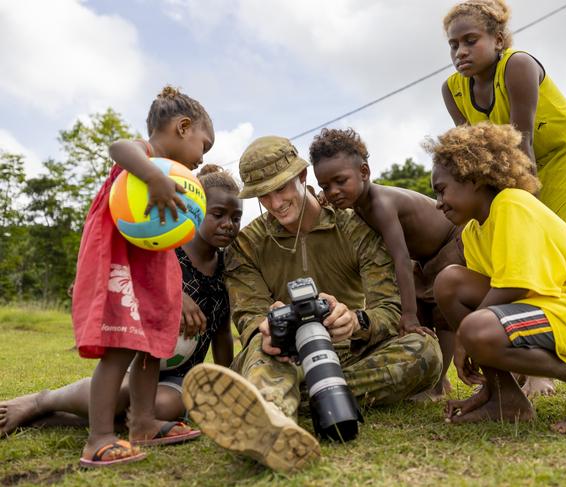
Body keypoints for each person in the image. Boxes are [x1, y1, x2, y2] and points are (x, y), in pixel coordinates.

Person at [182, 136, 442, 472]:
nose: (275, 203)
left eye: (281, 188)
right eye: (264, 194)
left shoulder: (355, 228)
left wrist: (356, 320)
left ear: (302, 177)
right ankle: (272, 418)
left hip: (345, 352)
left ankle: (263, 405)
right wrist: (267, 325)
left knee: (425, 351)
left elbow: (388, 311)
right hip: (280, 357)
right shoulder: (246, 245)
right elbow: (249, 318)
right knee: (261, 348)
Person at [0, 164, 241, 443]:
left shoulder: (228, 270)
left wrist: (227, 387)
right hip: (136, 365)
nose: (228, 224)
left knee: (164, 408)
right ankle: (42, 402)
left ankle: (53, 420)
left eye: (236, 217)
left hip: (179, 376)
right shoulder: (162, 250)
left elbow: (222, 334)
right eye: (218, 214)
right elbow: (123, 278)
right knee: (122, 395)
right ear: (194, 209)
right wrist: (173, 295)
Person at [426, 122, 566, 433]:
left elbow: (515, 285)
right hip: (552, 314)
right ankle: (503, 397)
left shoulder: (512, 204)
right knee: (449, 282)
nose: (439, 202)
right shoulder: (473, 233)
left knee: (478, 328)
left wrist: (464, 339)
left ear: (475, 178)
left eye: (442, 190)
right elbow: (487, 297)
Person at [71, 86, 214, 467]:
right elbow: (118, 147)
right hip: (121, 260)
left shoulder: (174, 175)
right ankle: (99, 438)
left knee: (152, 345)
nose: (202, 159)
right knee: (120, 348)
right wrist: (152, 176)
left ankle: (144, 423)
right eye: (205, 145)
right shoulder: (147, 156)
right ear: (183, 127)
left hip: (153, 260)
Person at [442, 0, 566, 250]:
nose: (460, 51)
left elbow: (522, 142)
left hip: (564, 153)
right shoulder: (452, 90)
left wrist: (529, 212)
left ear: (499, 41)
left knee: (547, 240)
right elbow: (476, 158)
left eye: (471, 40)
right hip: (518, 162)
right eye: (453, 45)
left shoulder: (518, 65)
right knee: (513, 241)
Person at [309, 127, 464, 399]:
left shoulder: (380, 204)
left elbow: (401, 259)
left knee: (441, 315)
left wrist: (408, 315)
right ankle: (434, 380)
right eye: (325, 186)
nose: (333, 191)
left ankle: (438, 385)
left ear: (365, 173)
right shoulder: (356, 202)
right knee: (423, 312)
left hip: (449, 241)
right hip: (426, 257)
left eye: (340, 181)